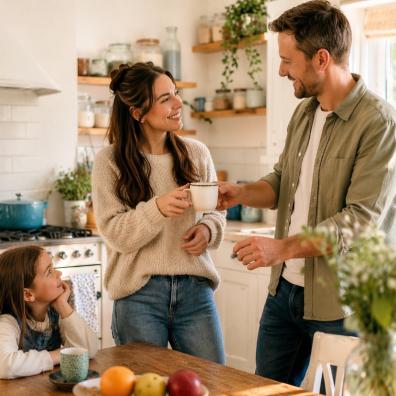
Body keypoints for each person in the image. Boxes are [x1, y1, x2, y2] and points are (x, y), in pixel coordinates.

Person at [217, 0, 396, 386]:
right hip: (284, 293)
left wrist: (280, 248)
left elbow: (358, 222)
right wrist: (240, 192)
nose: (281, 71)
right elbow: (283, 181)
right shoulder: (305, 112)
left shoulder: (379, 123)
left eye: (287, 60)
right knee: (264, 390)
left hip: (340, 302)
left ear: (321, 58)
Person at [92, 62, 225, 363]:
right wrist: (157, 209)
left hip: (195, 292)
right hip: (139, 294)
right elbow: (116, 234)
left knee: (214, 384)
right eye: (165, 99)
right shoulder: (109, 161)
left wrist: (208, 230)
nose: (179, 103)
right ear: (138, 113)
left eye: (176, 93)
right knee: (142, 387)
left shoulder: (197, 153)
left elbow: (215, 212)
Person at [0, 245, 98, 379]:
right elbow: (5, 366)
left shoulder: (56, 312)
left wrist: (63, 306)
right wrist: (61, 354)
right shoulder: (7, 322)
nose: (59, 273)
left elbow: (89, 350)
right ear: (28, 294)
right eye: (49, 271)